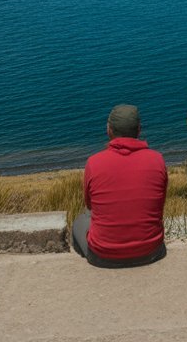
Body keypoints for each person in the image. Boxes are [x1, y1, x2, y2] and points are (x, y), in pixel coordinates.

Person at [71, 104, 168, 268]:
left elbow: (90, 205)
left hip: (104, 256)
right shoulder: (157, 160)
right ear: (139, 130)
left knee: (80, 220)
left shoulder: (94, 163)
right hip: (152, 251)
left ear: (109, 130)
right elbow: (160, 203)